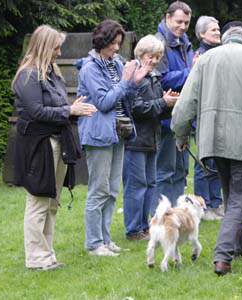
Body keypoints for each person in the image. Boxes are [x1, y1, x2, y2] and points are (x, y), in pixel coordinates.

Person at [171, 24, 242, 276]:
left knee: (232, 196)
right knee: (238, 199)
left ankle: (240, 246)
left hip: (213, 141)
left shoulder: (206, 59)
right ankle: (222, 256)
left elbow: (185, 104)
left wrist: (181, 135)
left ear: (225, 40)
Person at [12, 25, 97, 270]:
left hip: (57, 142)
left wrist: (72, 108)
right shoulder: (28, 75)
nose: (59, 53)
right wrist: (69, 110)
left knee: (52, 202)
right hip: (39, 146)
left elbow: (55, 108)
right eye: (56, 48)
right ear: (44, 47)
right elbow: (36, 111)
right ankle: (36, 259)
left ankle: (47, 256)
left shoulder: (51, 73)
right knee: (39, 201)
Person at [75, 20, 149, 256]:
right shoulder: (89, 68)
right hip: (98, 134)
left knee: (113, 189)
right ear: (102, 41)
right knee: (98, 189)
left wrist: (135, 83)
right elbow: (105, 102)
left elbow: (124, 98)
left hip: (118, 132)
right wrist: (126, 82)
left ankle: (106, 240)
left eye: (119, 43)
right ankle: (94, 243)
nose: (118, 48)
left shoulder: (115, 63)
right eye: (114, 43)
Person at [123, 35, 179, 241]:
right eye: (150, 56)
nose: (154, 61)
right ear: (140, 54)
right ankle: (132, 229)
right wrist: (163, 103)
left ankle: (144, 225)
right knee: (136, 187)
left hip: (152, 139)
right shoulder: (135, 77)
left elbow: (155, 109)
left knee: (150, 184)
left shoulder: (154, 76)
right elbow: (136, 109)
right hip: (136, 140)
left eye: (158, 57)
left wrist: (169, 103)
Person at [154, 1, 196, 207]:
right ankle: (161, 215)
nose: (183, 26)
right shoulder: (158, 44)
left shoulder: (185, 42)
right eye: (179, 21)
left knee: (181, 170)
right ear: (167, 17)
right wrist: (191, 72)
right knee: (165, 170)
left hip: (182, 116)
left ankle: (178, 213)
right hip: (165, 118)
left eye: (187, 23)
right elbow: (159, 80)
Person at [193, 15, 224, 221]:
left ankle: (216, 202)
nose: (218, 32)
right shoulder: (200, 56)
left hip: (219, 114)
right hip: (204, 115)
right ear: (202, 34)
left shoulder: (218, 53)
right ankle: (203, 205)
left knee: (217, 161)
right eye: (213, 30)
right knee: (203, 162)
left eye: (218, 29)